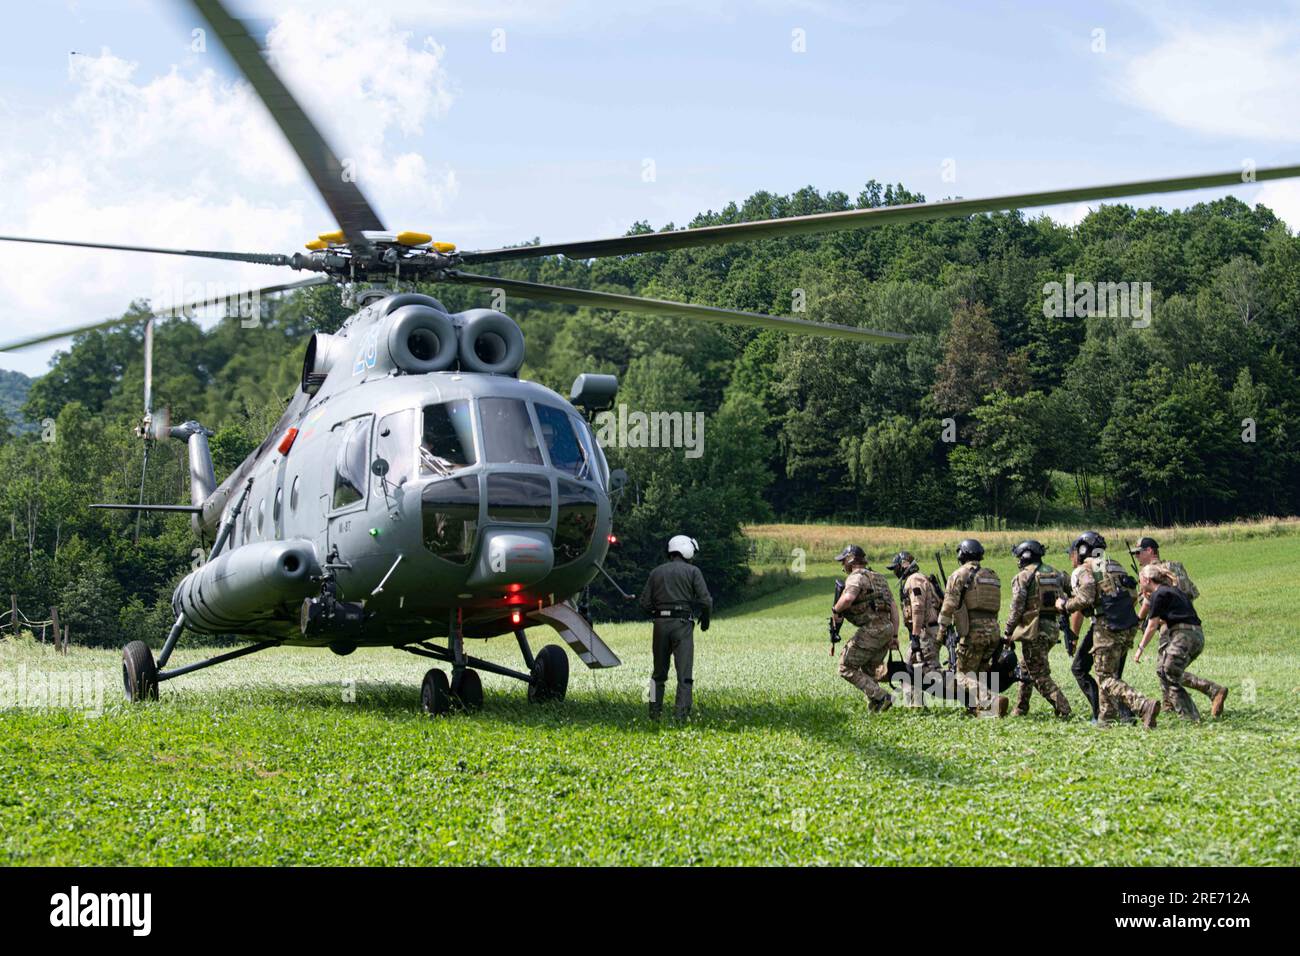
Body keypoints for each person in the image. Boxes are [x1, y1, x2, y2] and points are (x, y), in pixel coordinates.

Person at [1057, 532, 1159, 729]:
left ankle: (1143, 705)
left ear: (1083, 550)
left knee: (1105, 678)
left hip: (1106, 625)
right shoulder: (1113, 565)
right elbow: (1132, 595)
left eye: (1074, 552)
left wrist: (1064, 605)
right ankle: (1107, 720)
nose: (1072, 556)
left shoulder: (1085, 569)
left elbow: (1085, 598)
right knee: (1108, 673)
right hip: (1126, 624)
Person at [1130, 537, 1227, 718]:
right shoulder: (1175, 567)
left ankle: (1195, 699)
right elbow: (1191, 593)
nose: (1137, 557)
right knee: (1166, 669)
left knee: (1166, 670)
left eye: (1139, 553)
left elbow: (1148, 607)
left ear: (1150, 551)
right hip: (1188, 623)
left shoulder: (1149, 574)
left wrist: (1138, 625)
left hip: (1171, 627)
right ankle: (1174, 706)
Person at [638, 534, 712, 720]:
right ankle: (681, 715)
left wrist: (658, 614)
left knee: (657, 675)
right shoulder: (693, 571)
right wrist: (705, 620)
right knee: (684, 675)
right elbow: (706, 601)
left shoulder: (655, 572)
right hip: (682, 626)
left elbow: (644, 603)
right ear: (686, 550)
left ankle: (654, 713)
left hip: (660, 626)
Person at [937, 538, 1010, 717]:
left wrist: (941, 631)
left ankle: (993, 700)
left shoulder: (959, 574)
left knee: (962, 676)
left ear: (962, 554)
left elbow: (949, 606)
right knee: (980, 672)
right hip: (993, 631)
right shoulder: (991, 575)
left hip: (973, 632)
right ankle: (979, 709)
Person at [1003, 540, 1071, 718]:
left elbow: (1017, 607)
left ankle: (1063, 708)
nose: (1018, 561)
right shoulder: (1056, 573)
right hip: (1052, 628)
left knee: (1039, 674)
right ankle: (1020, 708)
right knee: (1026, 668)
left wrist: (1008, 631)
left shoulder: (1024, 577)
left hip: (1033, 630)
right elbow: (1074, 589)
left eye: (1019, 556)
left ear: (1026, 556)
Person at [832, 545, 898, 713]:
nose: (842, 566)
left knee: (845, 666)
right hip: (887, 628)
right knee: (869, 669)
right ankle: (876, 708)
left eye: (843, 561)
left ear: (851, 560)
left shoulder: (855, 577)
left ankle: (883, 697)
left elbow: (848, 598)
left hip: (873, 629)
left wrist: (836, 610)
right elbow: (893, 608)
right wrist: (894, 635)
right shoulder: (879, 578)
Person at [886, 551, 942, 707]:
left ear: (903, 565)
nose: (895, 572)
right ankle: (915, 705)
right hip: (924, 631)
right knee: (908, 669)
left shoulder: (914, 579)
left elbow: (918, 608)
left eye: (895, 568)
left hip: (925, 632)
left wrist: (916, 636)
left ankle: (972, 695)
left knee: (931, 673)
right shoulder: (915, 579)